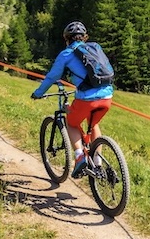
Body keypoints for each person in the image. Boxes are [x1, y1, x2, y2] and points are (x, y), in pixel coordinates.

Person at [31, 20, 113, 177]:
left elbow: (52, 77)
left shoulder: (66, 54)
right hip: (107, 96)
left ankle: (79, 156)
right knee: (94, 123)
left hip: (87, 99)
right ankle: (97, 162)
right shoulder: (95, 48)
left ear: (67, 39)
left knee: (72, 122)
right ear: (84, 37)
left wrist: (38, 93)